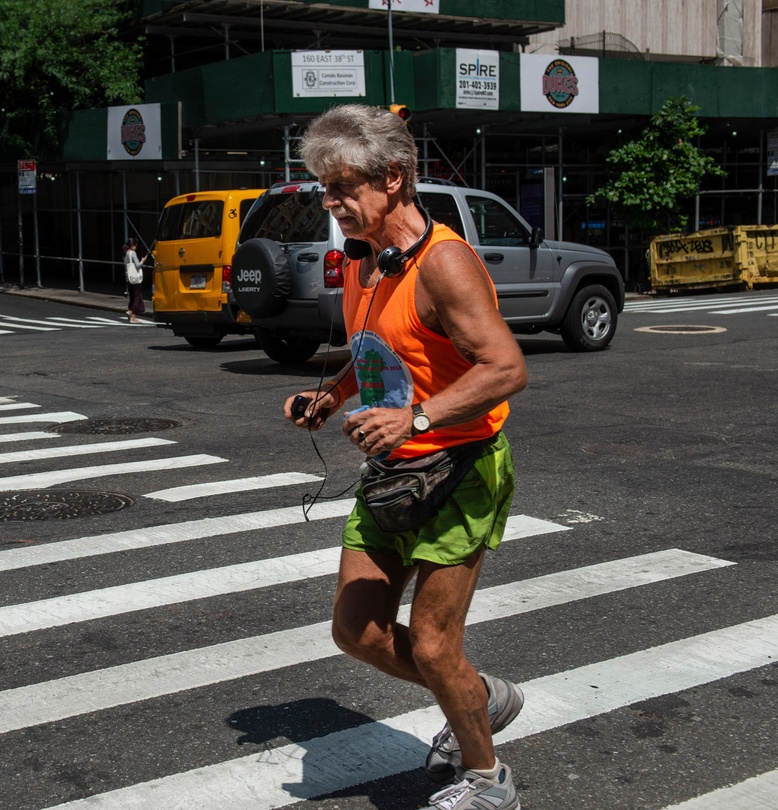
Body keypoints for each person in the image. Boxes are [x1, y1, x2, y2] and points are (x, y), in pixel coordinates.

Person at [283, 104, 529, 810]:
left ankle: (489, 782)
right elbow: (382, 355)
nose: (332, 206)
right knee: (355, 631)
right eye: (324, 191)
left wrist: (415, 417)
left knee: (431, 644)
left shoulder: (444, 262)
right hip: (395, 472)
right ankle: (479, 697)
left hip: (461, 467)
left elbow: (507, 368)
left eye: (342, 189)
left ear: (393, 179)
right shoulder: (365, 263)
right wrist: (331, 396)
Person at [122, 238, 147, 323]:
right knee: (137, 296)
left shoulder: (125, 254)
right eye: (135, 245)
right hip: (135, 278)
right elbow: (137, 265)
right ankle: (131, 312)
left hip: (128, 278)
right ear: (133, 245)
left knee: (132, 297)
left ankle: (133, 317)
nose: (136, 246)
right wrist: (143, 261)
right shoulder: (133, 253)